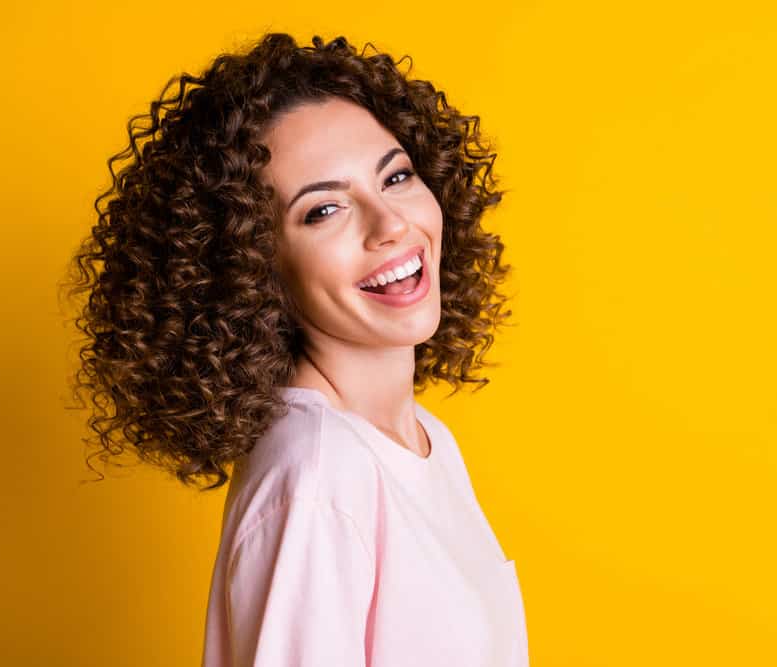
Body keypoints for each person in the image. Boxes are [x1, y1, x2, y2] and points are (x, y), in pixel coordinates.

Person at [62, 32, 525, 666]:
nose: (390, 224)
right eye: (323, 210)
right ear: (251, 265)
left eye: (395, 176)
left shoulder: (425, 441)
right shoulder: (319, 474)